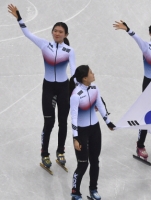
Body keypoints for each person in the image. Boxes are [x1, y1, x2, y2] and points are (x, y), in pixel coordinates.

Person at [8, 4, 76, 169]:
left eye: (60, 31)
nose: (57, 33)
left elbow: (74, 72)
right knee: (49, 122)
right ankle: (44, 153)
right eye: (55, 30)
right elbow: (28, 34)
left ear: (65, 34)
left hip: (63, 88)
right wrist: (19, 18)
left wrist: (79, 90)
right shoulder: (44, 44)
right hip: (48, 88)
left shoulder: (69, 50)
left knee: (62, 122)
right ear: (52, 32)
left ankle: (60, 151)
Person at [113, 20, 151, 160]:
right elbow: (136, 37)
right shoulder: (146, 46)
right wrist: (127, 29)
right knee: (146, 113)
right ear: (150, 33)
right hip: (148, 84)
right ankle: (140, 145)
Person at [69, 65, 115, 200]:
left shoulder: (95, 89)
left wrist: (108, 122)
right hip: (81, 133)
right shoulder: (75, 95)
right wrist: (75, 138)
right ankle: (75, 192)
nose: (93, 74)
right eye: (90, 73)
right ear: (84, 78)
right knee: (83, 164)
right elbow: (74, 118)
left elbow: (100, 105)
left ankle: (93, 189)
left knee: (95, 161)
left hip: (95, 130)